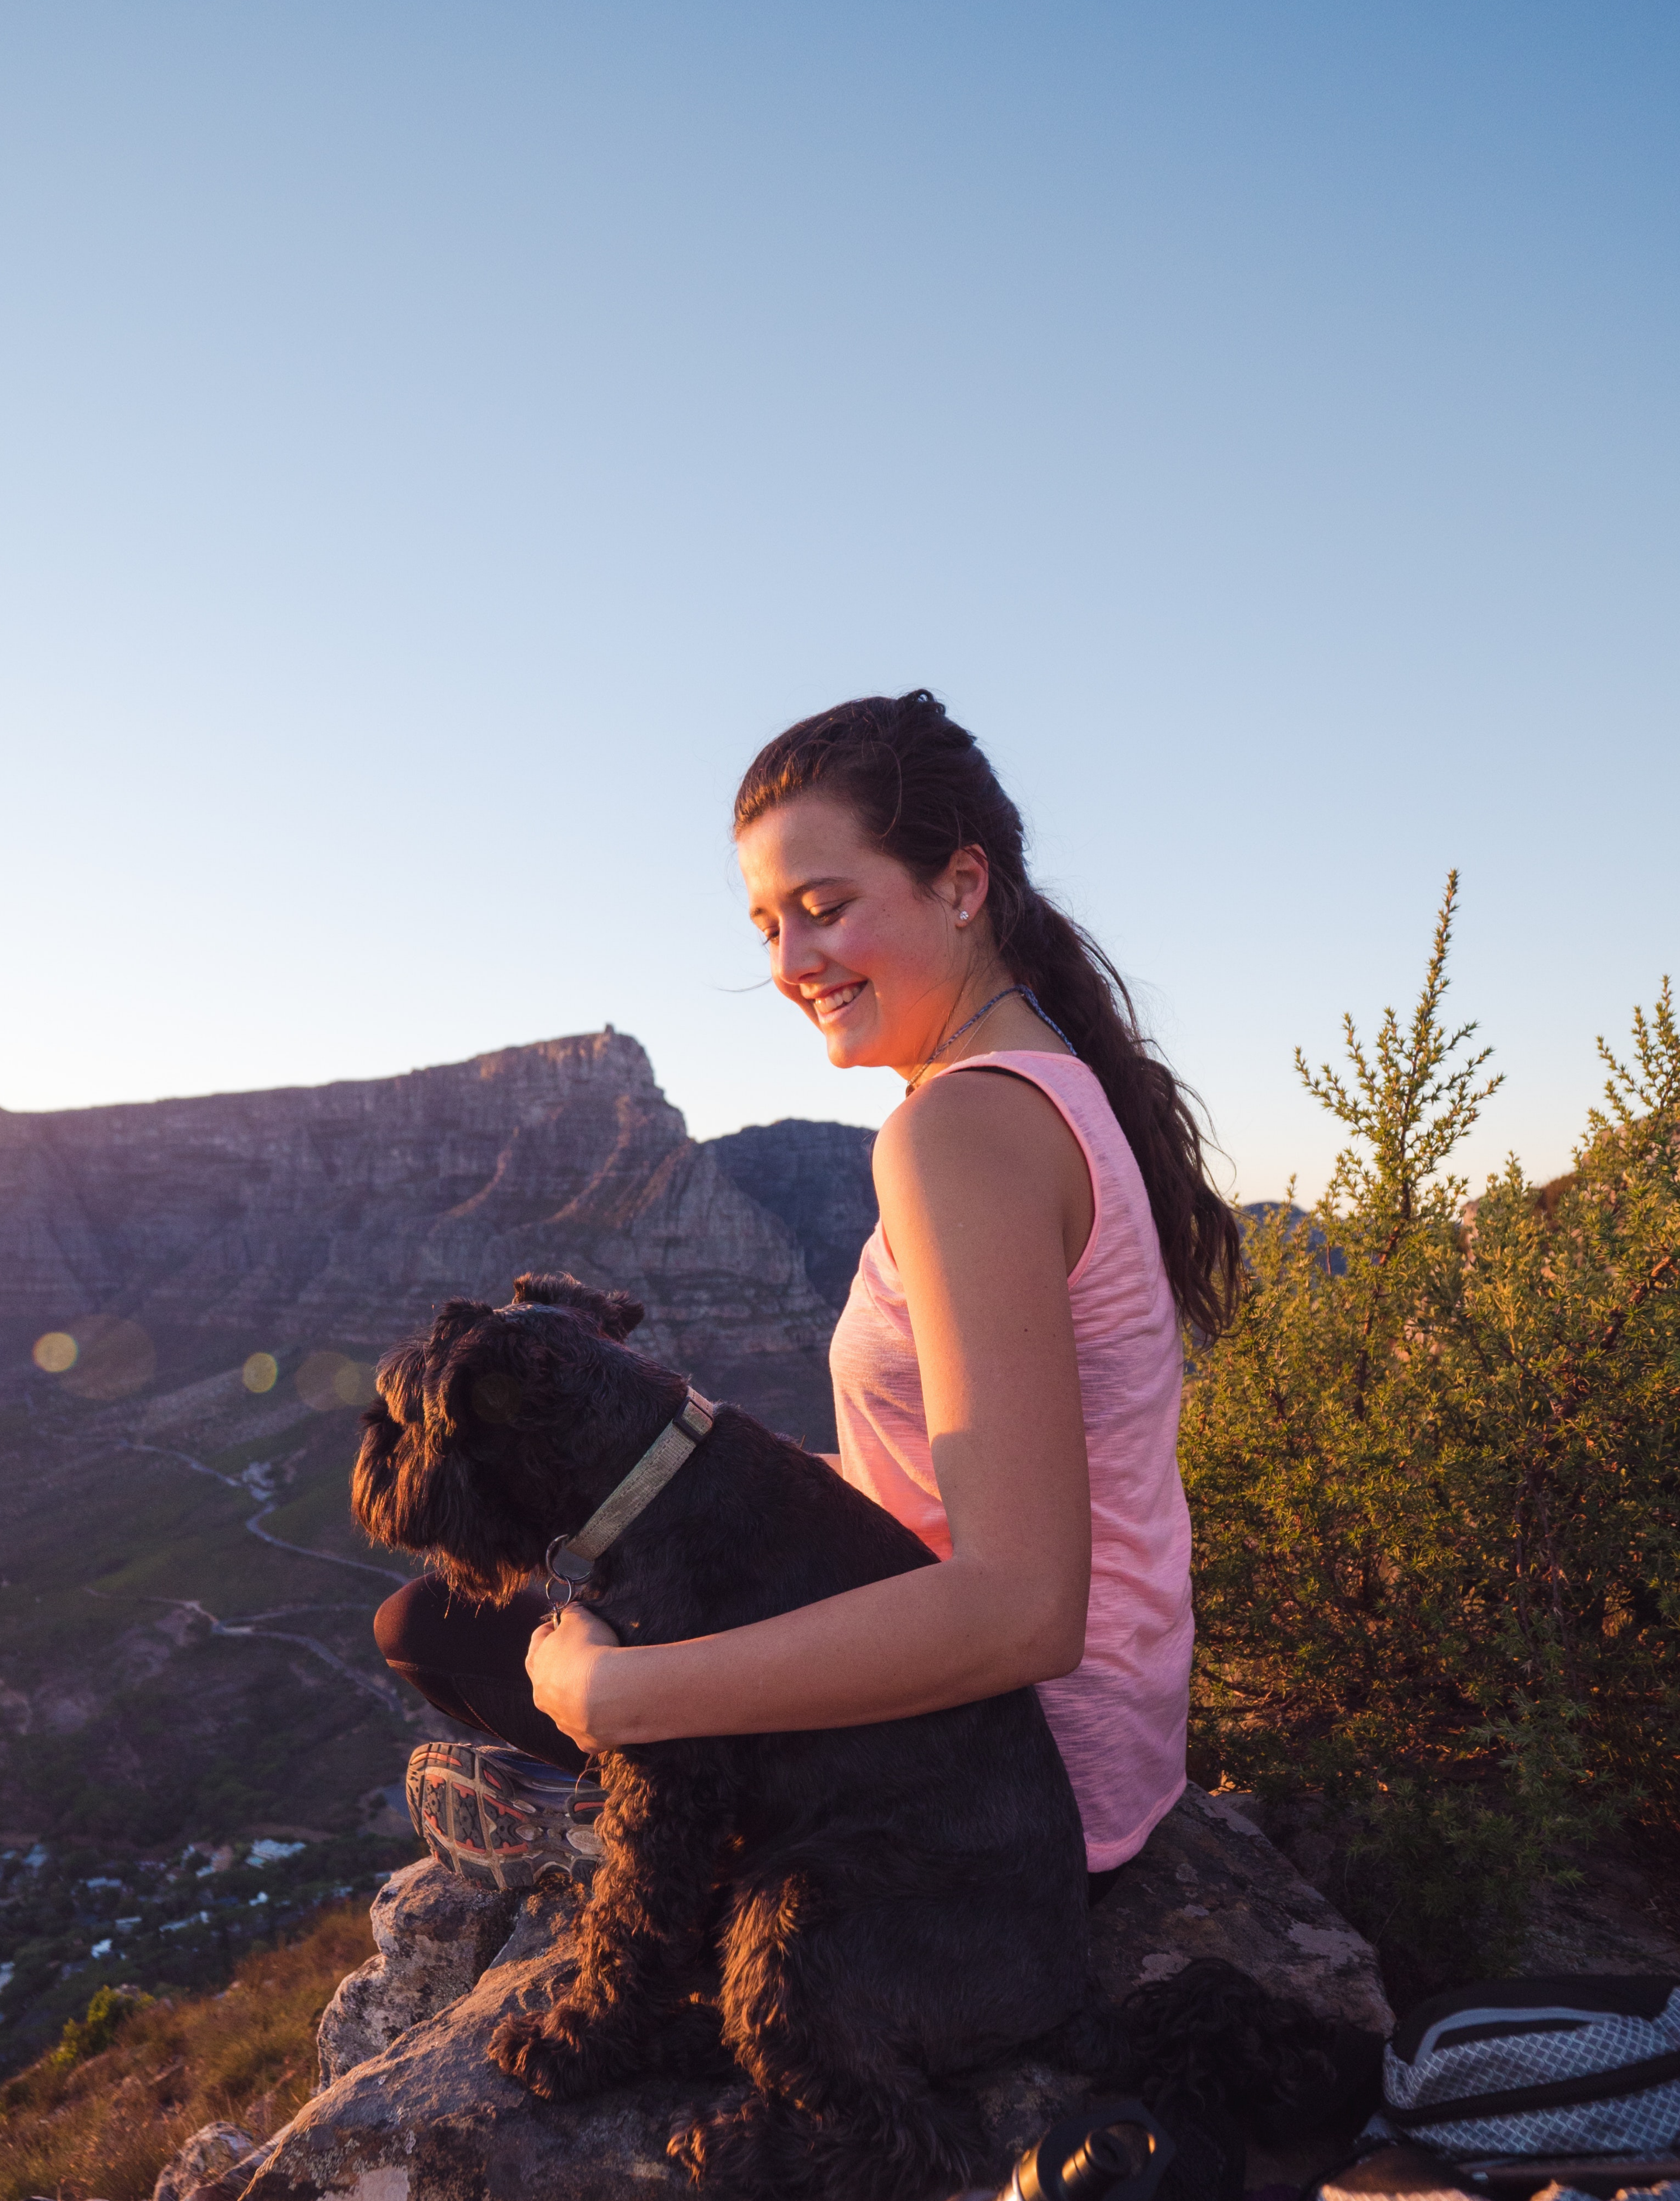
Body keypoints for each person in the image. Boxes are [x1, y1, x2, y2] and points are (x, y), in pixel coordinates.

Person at [375, 688, 1242, 1898]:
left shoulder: (961, 1131)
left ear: (961, 883)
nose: (791, 965)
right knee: (520, 1589)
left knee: (437, 1634)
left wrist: (627, 1696)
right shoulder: (1044, 1078)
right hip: (1095, 1747)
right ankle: (621, 1811)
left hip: (994, 1792)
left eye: (826, 911)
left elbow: (1022, 1611)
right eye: (767, 927)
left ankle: (617, 1829)